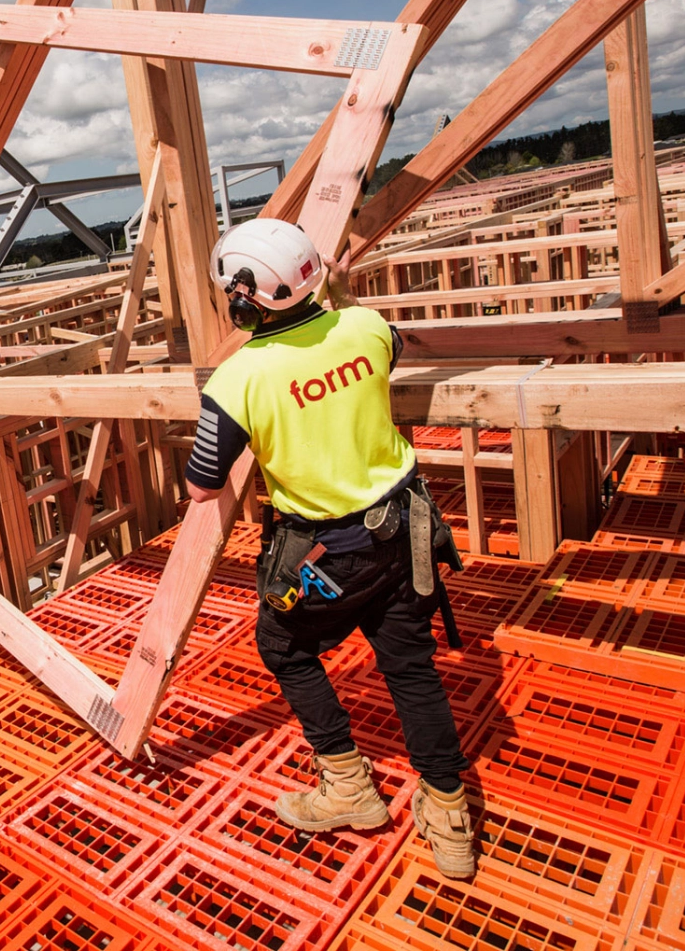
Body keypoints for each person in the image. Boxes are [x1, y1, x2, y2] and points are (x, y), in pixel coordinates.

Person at [183, 218, 475, 880]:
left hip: (328, 556)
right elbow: (367, 347)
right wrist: (337, 297)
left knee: (283, 645)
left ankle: (348, 786)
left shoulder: (237, 381)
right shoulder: (366, 328)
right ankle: (450, 818)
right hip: (405, 532)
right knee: (410, 667)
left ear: (239, 300)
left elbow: (203, 489)